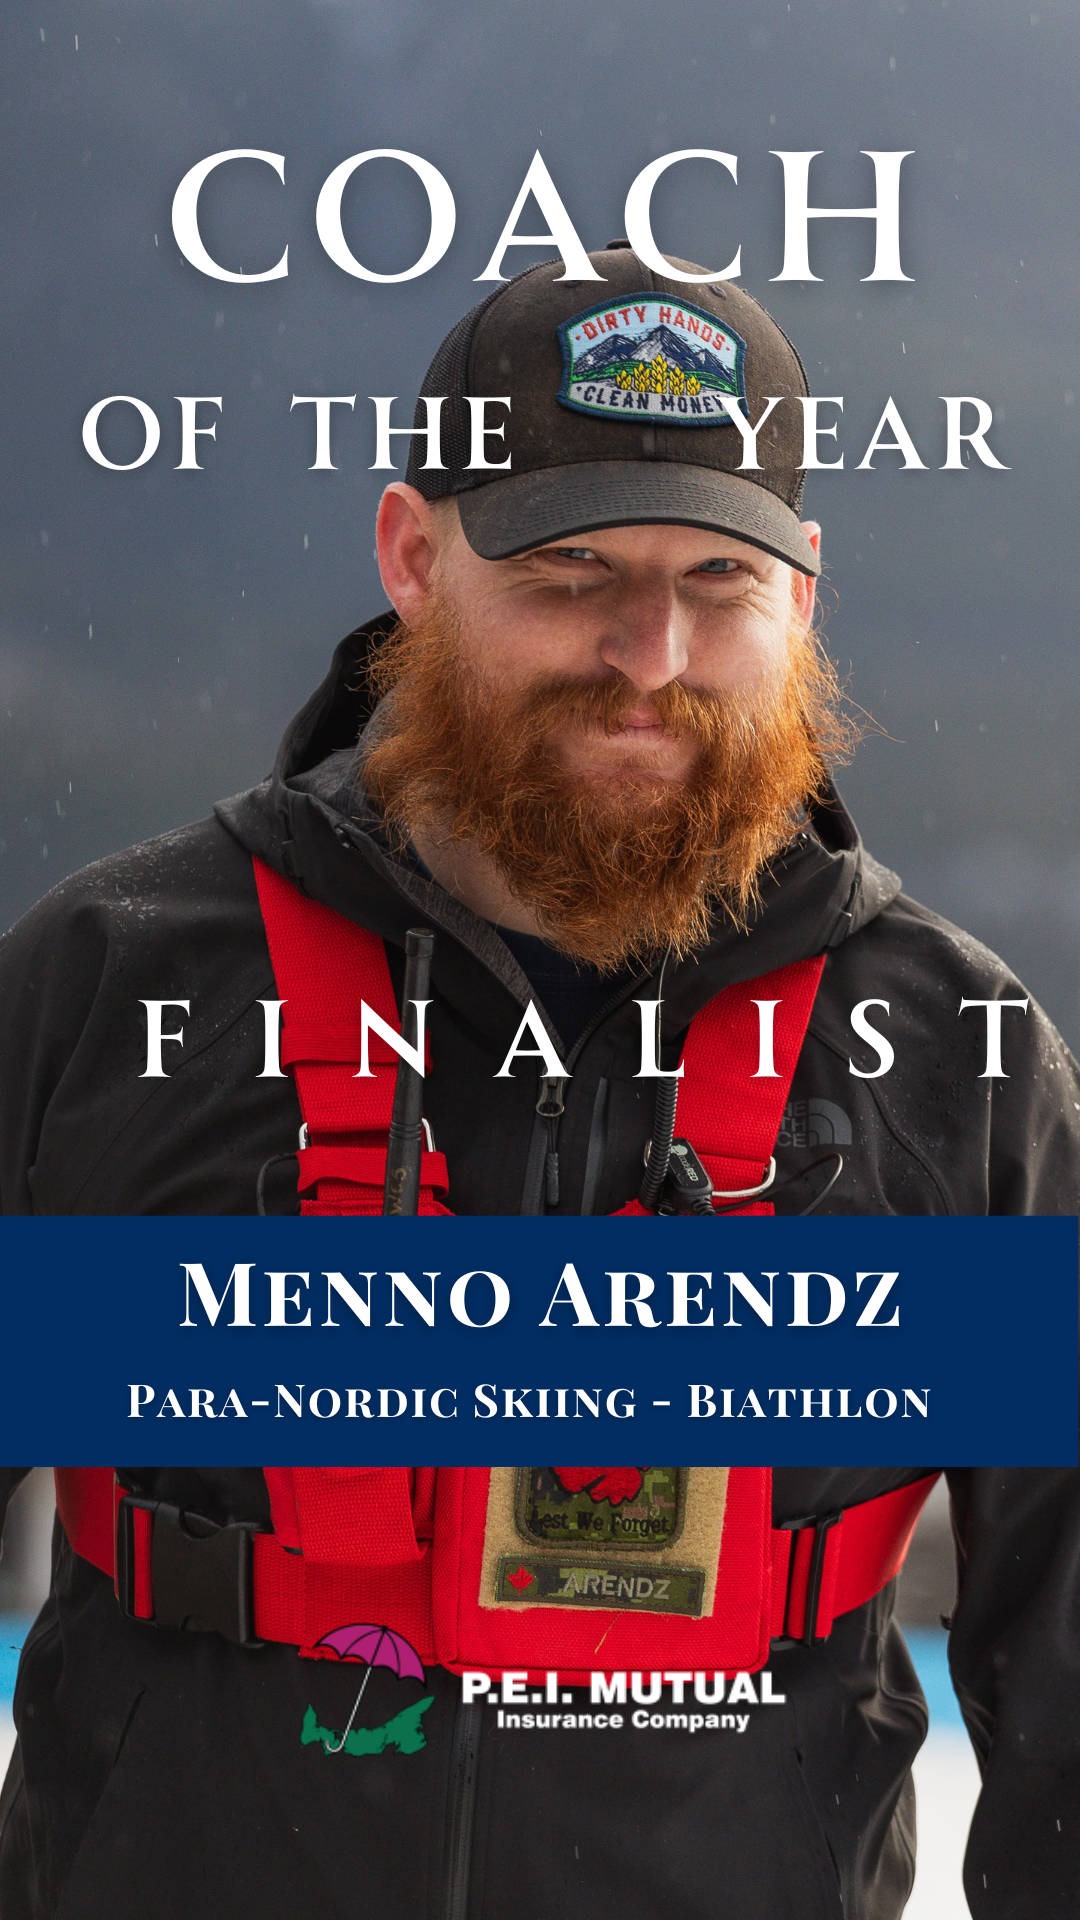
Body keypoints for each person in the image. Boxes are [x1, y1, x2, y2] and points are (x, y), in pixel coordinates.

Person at [0, 247, 1078, 1920]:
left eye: (720, 577)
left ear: (803, 597)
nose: (649, 650)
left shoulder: (952, 1057)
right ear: (412, 556)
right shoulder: (109, 986)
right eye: (571, 565)